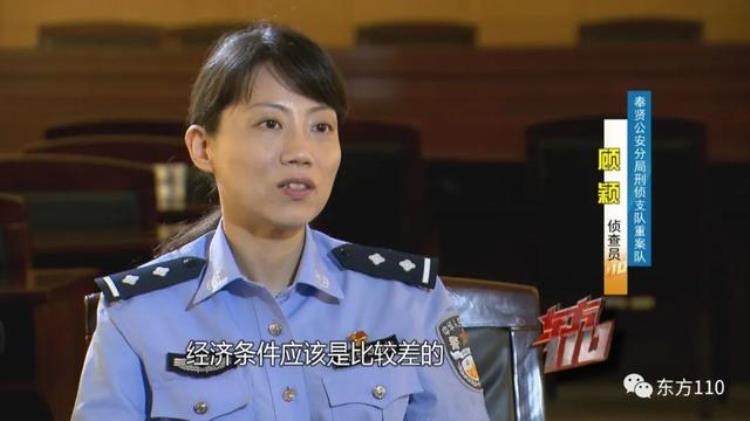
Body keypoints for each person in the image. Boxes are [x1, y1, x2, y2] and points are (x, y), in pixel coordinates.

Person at [72, 23, 491, 421]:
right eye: (270, 123)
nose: (301, 152)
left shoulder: (406, 301)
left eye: (321, 126)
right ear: (202, 148)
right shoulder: (138, 313)